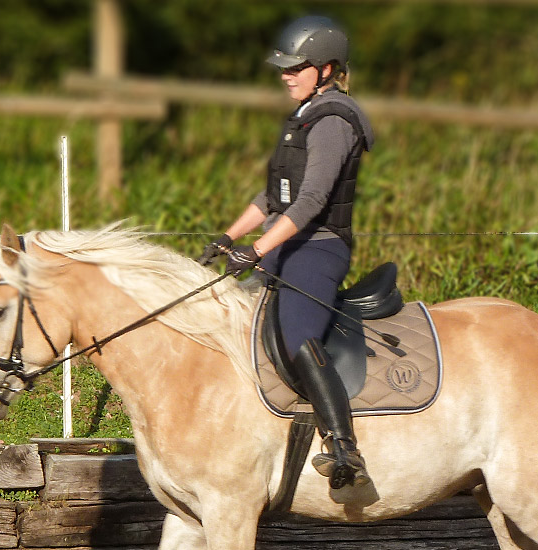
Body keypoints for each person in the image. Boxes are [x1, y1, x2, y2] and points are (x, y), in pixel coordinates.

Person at [197, 15, 375, 489]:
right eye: (283, 68)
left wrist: (256, 249)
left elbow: (312, 202)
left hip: (318, 249)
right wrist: (229, 238)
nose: (285, 75)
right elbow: (272, 199)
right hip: (283, 243)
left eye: (296, 68)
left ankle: (343, 445)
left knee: (297, 336)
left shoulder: (334, 121)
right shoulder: (302, 116)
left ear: (327, 68)